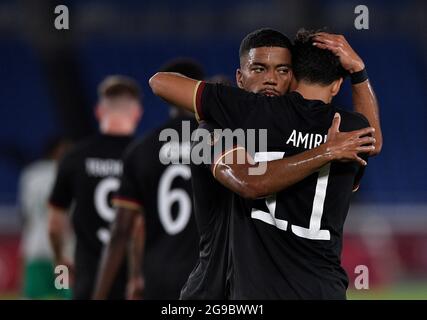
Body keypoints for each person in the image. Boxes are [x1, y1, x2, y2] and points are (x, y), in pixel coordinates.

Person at [149, 29, 382, 299]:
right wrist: (326, 150)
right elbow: (249, 181)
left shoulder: (278, 122)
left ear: (293, 77)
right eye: (259, 69)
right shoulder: (211, 129)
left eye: (282, 70)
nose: (271, 79)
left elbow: (370, 142)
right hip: (212, 289)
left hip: (252, 287)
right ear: (239, 80)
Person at [93, 59, 202, 300]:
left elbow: (123, 229)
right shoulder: (225, 143)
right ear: (199, 89)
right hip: (208, 277)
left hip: (158, 277)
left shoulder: (142, 149)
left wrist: (100, 294)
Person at [48, 75, 142, 299]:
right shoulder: (145, 155)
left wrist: (60, 261)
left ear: (99, 111)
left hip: (88, 281)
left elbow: (54, 226)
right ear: (137, 112)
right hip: (134, 283)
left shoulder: (74, 157)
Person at [19, 138, 72, 299]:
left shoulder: (30, 174)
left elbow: (24, 215)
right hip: (61, 254)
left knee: (34, 296)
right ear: (57, 151)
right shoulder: (66, 172)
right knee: (65, 294)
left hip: (35, 250)